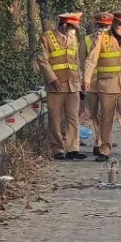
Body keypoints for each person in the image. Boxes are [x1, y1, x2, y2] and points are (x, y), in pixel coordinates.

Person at [83, 10, 121, 161]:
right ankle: (105, 150)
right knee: (106, 118)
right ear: (114, 23)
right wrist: (86, 80)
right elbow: (91, 60)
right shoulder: (102, 38)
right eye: (120, 24)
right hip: (106, 84)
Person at [36, 11, 86, 160]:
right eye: (72, 27)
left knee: (73, 118)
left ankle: (73, 149)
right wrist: (52, 79)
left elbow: (77, 62)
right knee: (55, 118)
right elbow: (42, 60)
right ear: (65, 25)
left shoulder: (74, 37)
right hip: (56, 86)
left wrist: (81, 82)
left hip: (73, 84)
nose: (74, 30)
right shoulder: (47, 37)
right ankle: (57, 149)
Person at [84, 11, 113, 155]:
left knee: (106, 113)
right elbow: (80, 61)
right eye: (101, 26)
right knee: (94, 114)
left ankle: (102, 142)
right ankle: (98, 138)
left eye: (106, 26)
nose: (103, 29)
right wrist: (84, 80)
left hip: (108, 82)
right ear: (96, 25)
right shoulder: (87, 40)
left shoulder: (115, 40)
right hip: (92, 83)